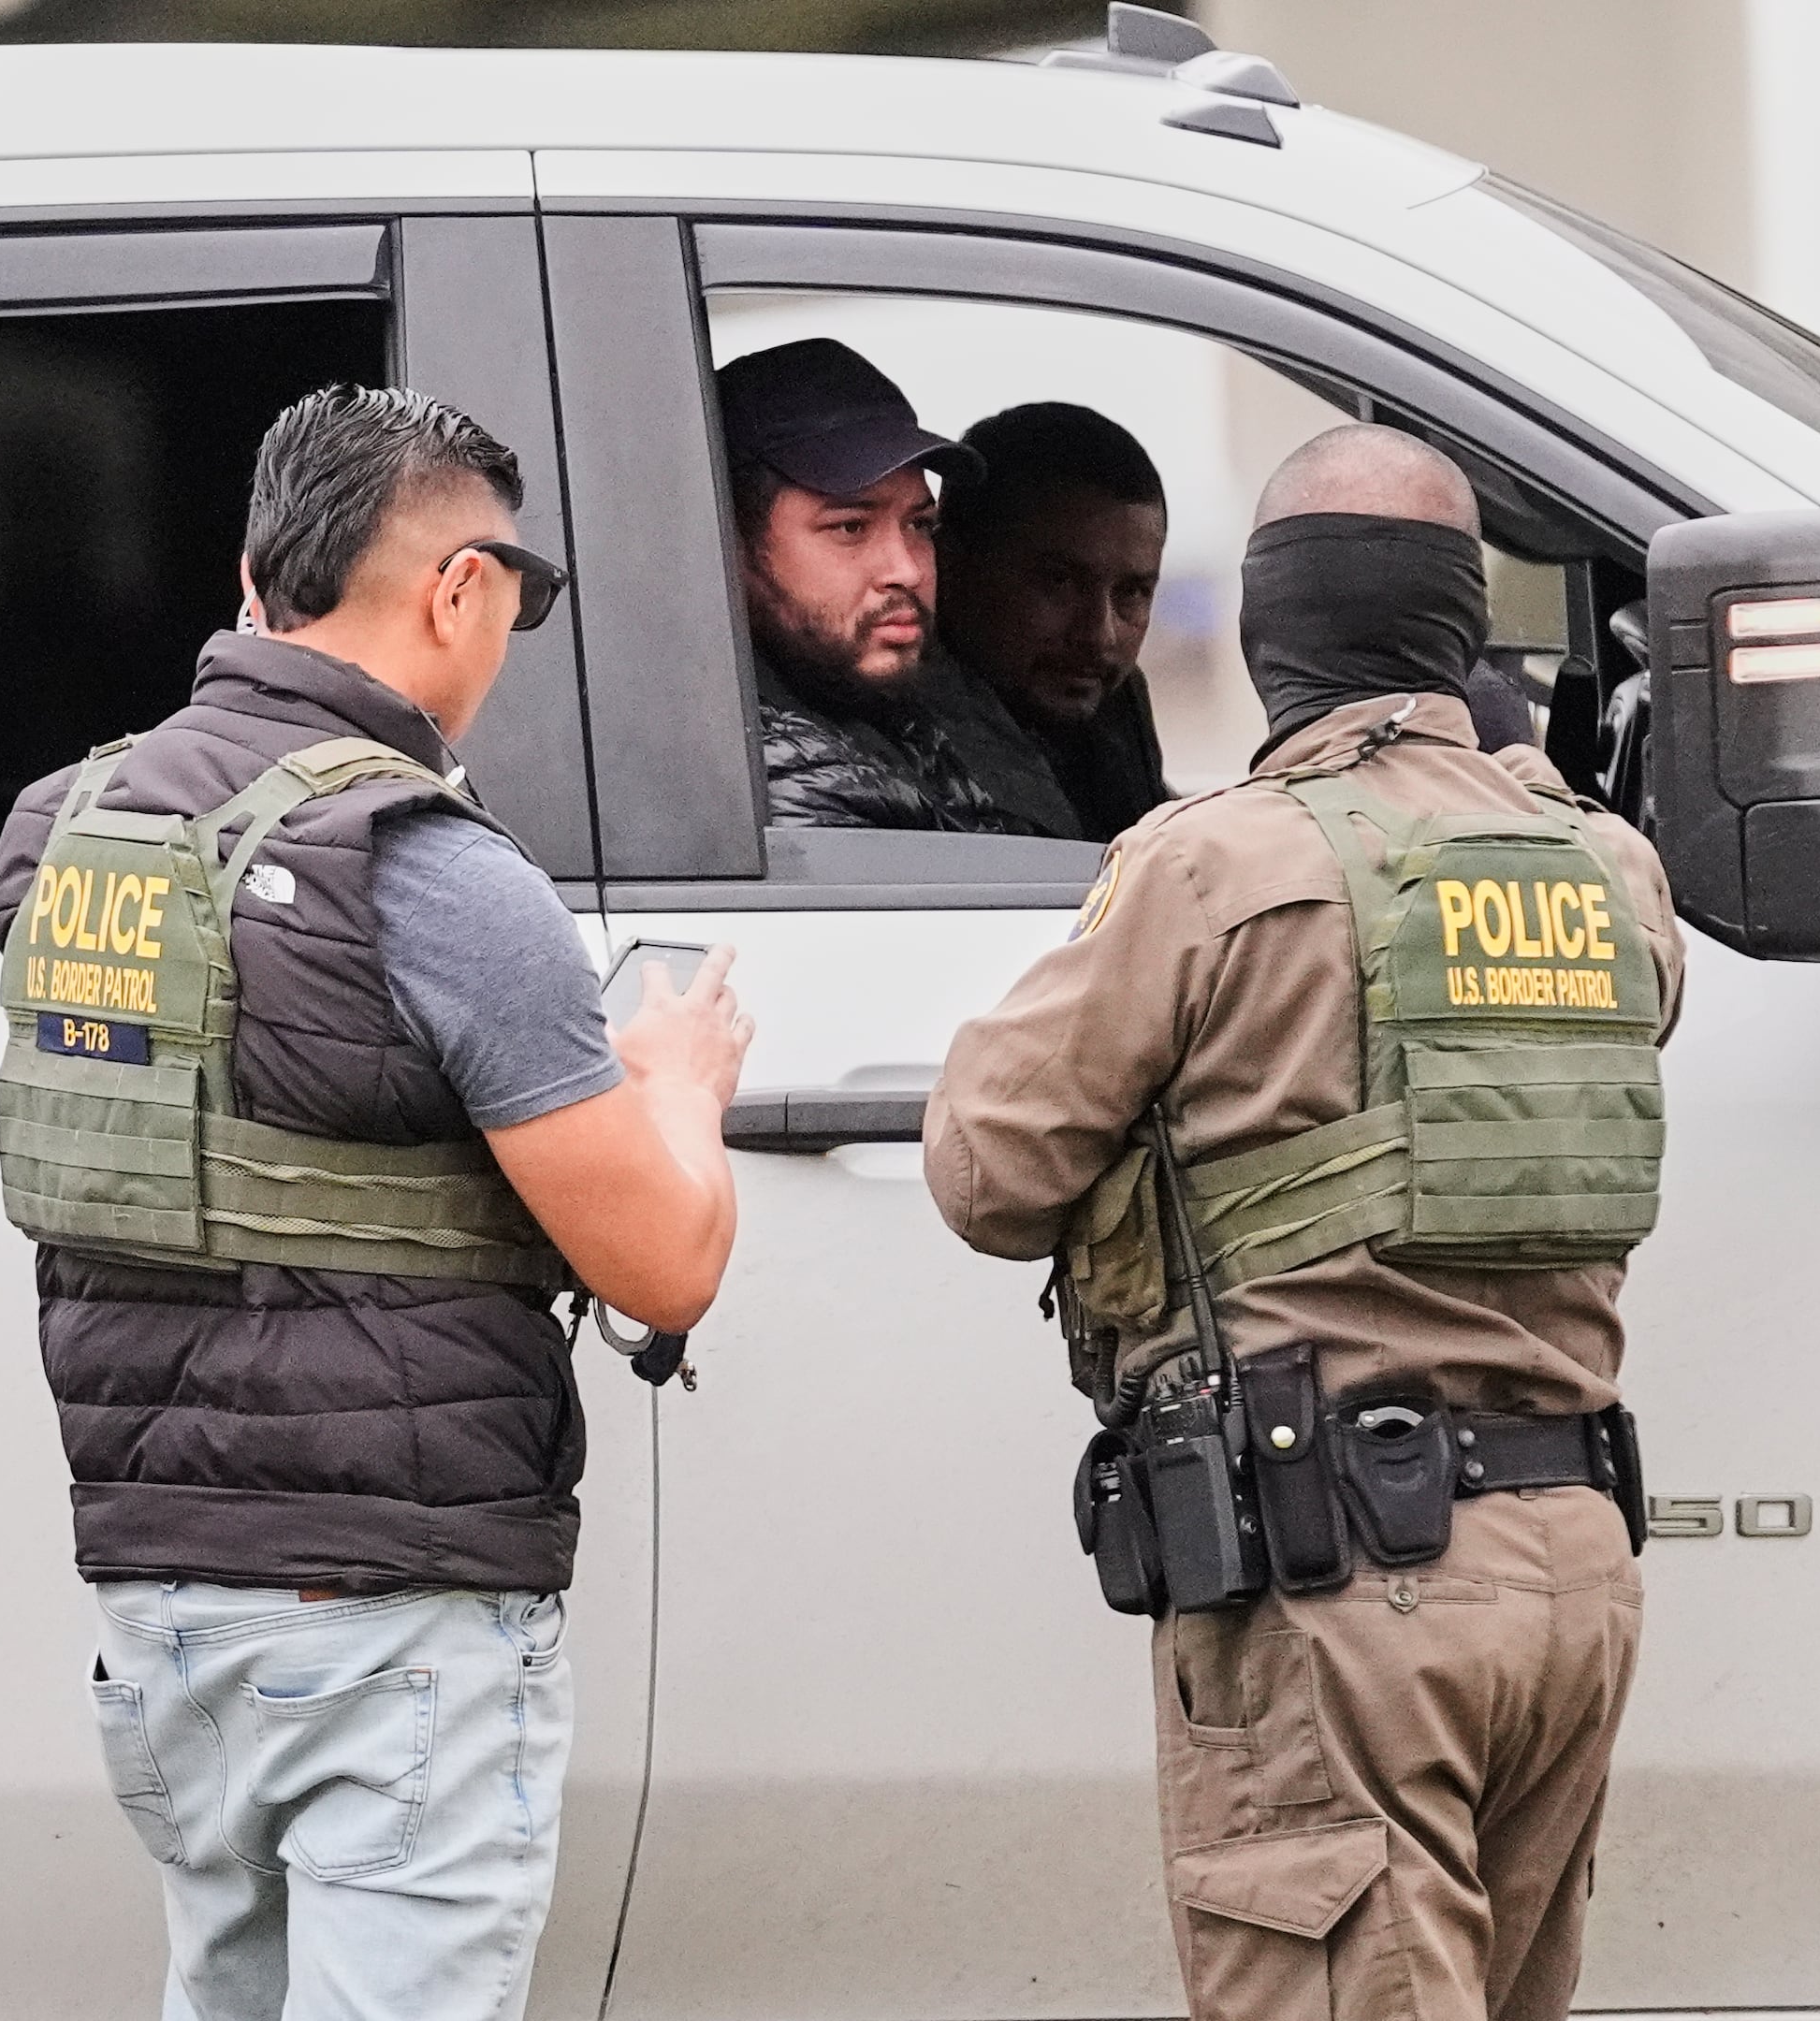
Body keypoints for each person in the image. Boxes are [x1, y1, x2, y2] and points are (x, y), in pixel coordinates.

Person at [0, 385, 752, 2021]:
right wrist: (676, 1083)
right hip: (391, 1614)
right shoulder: (435, 870)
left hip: (159, 1601)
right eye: (519, 597)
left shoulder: (76, 833)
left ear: (257, 572)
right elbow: (662, 1266)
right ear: (458, 587)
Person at [921, 426, 1681, 2021]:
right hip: (1573, 1577)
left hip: (1350, 1588)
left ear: (1272, 638)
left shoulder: (1215, 870)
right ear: (1454, 633)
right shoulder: (1614, 879)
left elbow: (986, 1174)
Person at [716, 336, 1012, 832]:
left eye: (919, 525)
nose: (908, 570)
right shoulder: (780, 794)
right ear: (733, 547)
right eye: (850, 527)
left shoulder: (882, 722)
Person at [929, 401, 1174, 840]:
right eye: (1059, 581)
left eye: (1132, 592)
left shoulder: (1111, 715)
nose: (1100, 635)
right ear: (951, 562)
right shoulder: (896, 753)